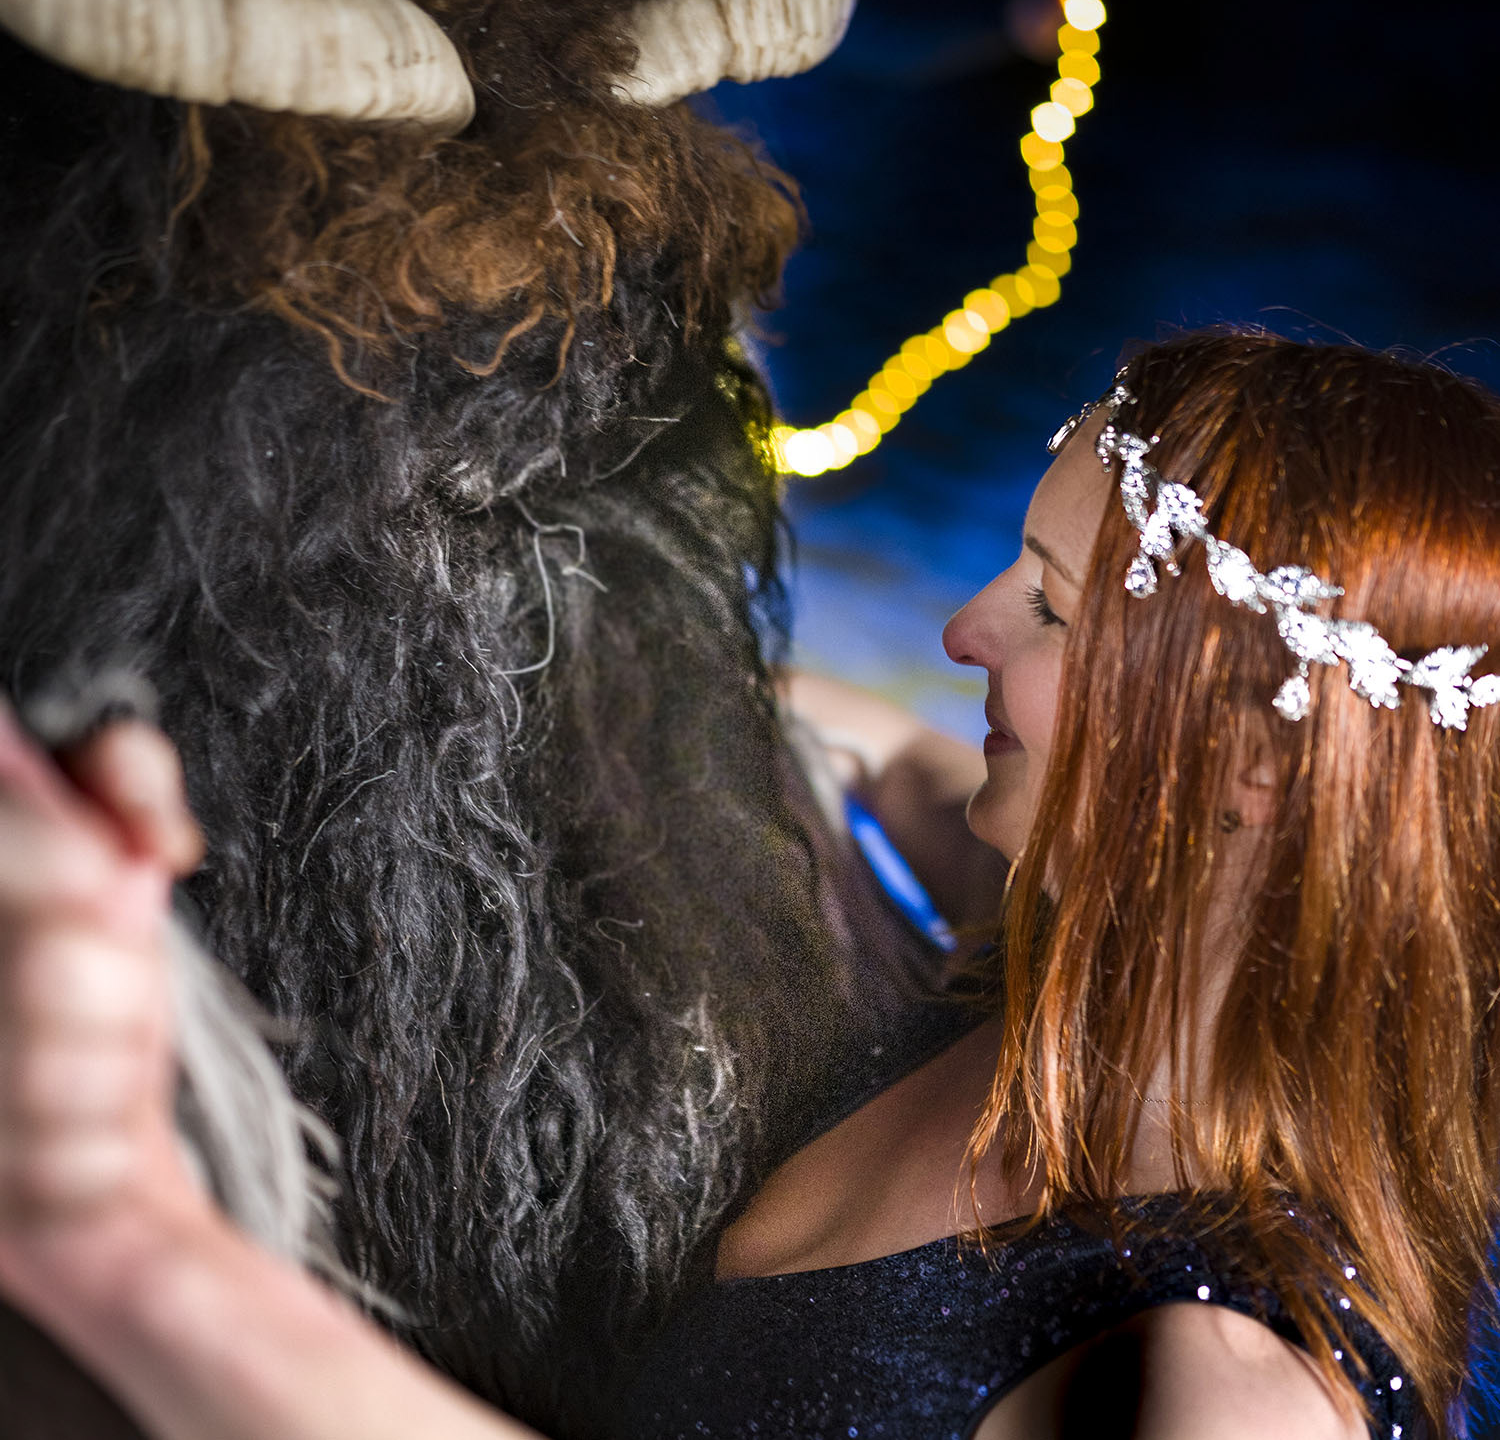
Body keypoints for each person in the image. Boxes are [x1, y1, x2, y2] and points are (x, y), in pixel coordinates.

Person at [1, 329, 1492, 1439]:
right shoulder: (1033, 949)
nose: (968, 630)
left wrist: (118, 1230)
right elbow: (882, 747)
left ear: (1252, 765)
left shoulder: (1222, 1382)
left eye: (1046, 603)